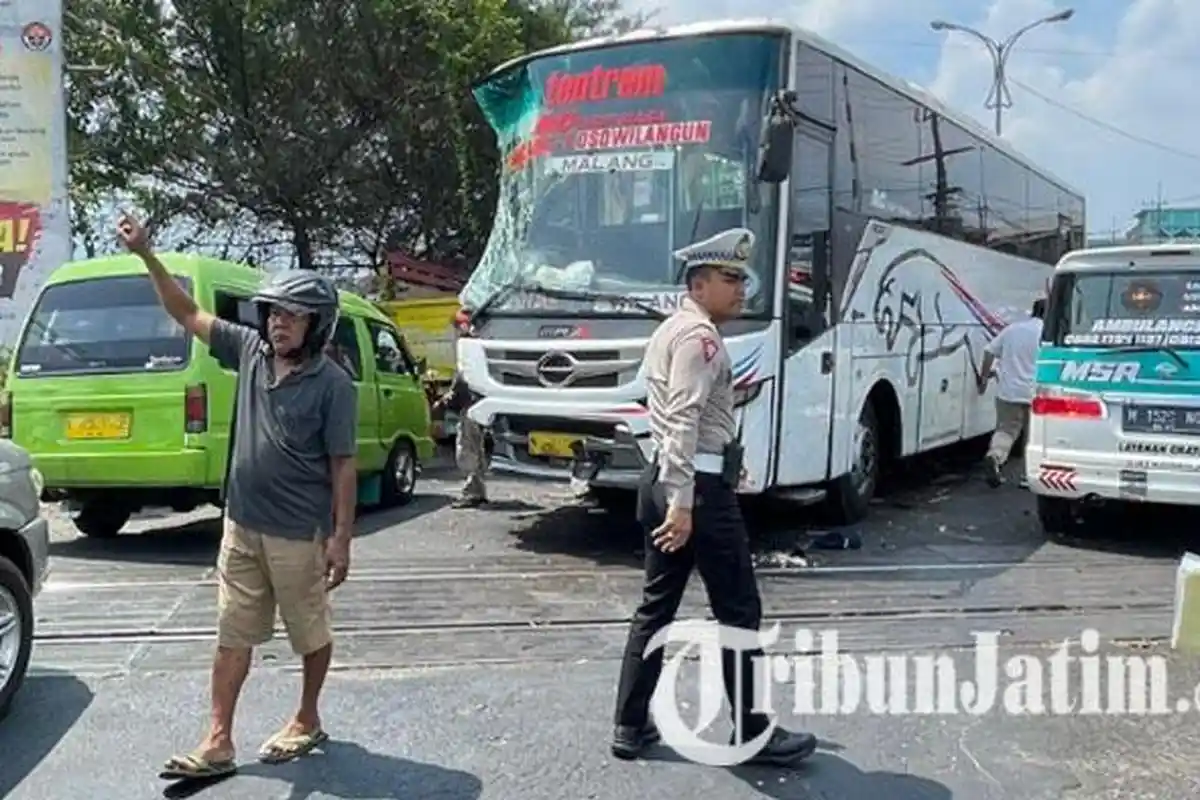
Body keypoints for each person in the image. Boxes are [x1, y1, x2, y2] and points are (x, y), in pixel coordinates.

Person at [116, 215, 358, 779]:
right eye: (273, 312)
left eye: (292, 315)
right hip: (241, 526)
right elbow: (186, 312)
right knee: (232, 632)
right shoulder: (248, 349)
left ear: (316, 325)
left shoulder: (333, 385)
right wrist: (147, 254)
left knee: (310, 633)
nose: (278, 323)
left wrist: (342, 538)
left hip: (299, 534)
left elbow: (343, 465)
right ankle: (218, 739)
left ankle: (306, 716)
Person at [610, 228, 818, 766]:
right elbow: (682, 418)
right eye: (730, 279)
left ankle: (630, 726)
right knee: (739, 611)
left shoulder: (674, 330)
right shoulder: (698, 339)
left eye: (742, 279)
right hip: (695, 493)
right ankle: (752, 734)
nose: (740, 288)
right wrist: (683, 502)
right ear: (698, 284)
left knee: (656, 609)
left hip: (672, 481)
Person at [977, 298, 1046, 488]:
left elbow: (989, 351)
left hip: (1009, 391)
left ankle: (995, 456)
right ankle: (1027, 476)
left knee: (1006, 430)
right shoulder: (1048, 334)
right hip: (1037, 393)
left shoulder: (1013, 329)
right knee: (1032, 437)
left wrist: (983, 379)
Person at [433, 368, 489, 508]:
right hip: (481, 409)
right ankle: (478, 492)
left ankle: (473, 493)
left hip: (470, 410)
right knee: (477, 452)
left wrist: (441, 404)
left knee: (467, 452)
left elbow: (458, 390)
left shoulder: (467, 364)